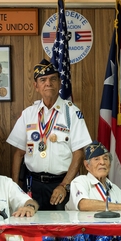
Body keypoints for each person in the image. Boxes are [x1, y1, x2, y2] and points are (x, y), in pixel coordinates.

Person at [8, 59, 91, 210]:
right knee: (32, 229)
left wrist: (64, 186)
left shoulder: (72, 112)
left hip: (61, 185)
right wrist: (15, 188)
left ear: (59, 83)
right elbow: (18, 153)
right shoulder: (28, 114)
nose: (48, 83)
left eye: (53, 79)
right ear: (36, 86)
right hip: (33, 184)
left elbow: (78, 153)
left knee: (62, 229)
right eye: (43, 80)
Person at [68, 142, 121, 212]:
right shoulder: (80, 181)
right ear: (87, 165)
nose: (102, 162)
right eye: (96, 159)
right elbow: (83, 204)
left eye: (105, 158)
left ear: (110, 164)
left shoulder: (113, 188)